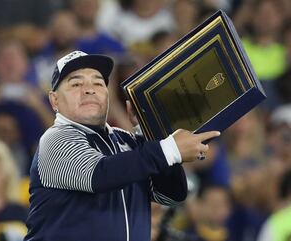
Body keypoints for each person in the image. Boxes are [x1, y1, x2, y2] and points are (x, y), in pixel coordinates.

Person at [24, 50, 220, 241]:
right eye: (76, 84)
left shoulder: (125, 140)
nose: (89, 89)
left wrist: (150, 132)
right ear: (54, 100)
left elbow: (171, 195)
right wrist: (169, 148)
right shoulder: (55, 139)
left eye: (98, 83)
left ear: (108, 95)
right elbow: (100, 175)